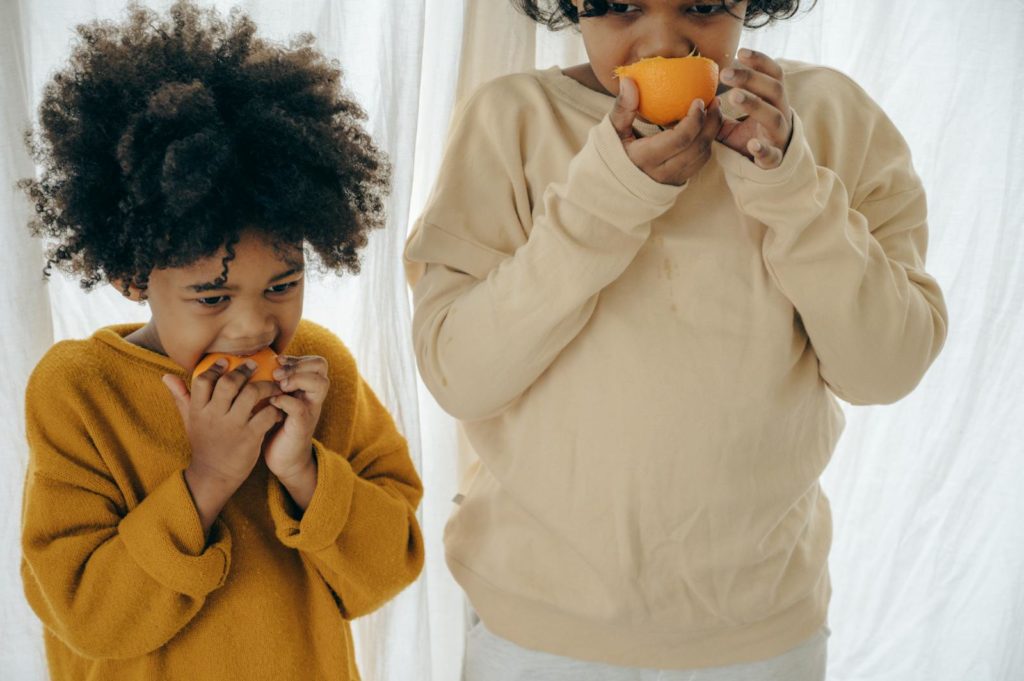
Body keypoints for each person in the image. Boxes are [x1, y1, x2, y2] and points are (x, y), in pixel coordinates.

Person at [403, 1, 948, 679]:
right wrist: (609, 197)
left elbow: (886, 368)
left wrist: (790, 187)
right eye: (622, 6)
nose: (663, 41)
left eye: (703, 5)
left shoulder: (832, 120)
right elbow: (459, 371)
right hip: (537, 635)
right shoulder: (510, 122)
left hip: (759, 636)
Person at [19, 2, 423, 679]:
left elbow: (386, 572)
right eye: (211, 296)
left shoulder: (326, 377)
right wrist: (209, 477)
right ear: (130, 272)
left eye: (282, 285)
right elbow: (88, 617)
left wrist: (303, 471)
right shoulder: (80, 390)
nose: (253, 327)